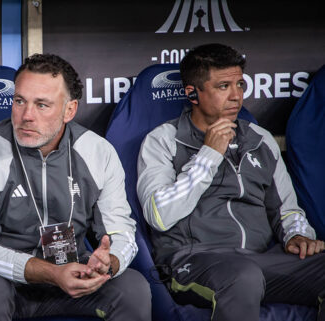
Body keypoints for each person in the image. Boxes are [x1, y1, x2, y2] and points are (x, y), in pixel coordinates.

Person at [0, 53, 151, 321]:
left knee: (132, 288)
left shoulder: (98, 152)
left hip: (70, 268)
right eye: (19, 101)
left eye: (42, 105)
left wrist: (108, 263)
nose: (26, 116)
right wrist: (51, 273)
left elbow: (122, 234)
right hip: (2, 276)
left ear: (70, 110)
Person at [137, 43, 325, 321]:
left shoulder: (259, 140)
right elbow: (159, 215)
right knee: (242, 277)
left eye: (240, 84)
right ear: (193, 93)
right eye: (223, 86)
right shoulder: (163, 140)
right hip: (192, 262)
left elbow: (286, 209)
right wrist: (209, 155)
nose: (236, 96)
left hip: (260, 259)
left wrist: (297, 235)